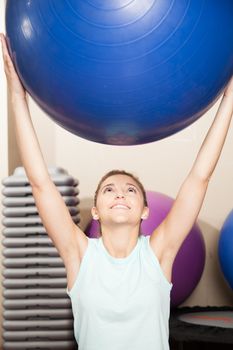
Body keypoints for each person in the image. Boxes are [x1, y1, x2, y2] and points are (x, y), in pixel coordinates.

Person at [1, 32, 233, 350]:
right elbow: (41, 184)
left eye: (130, 190)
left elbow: (199, 178)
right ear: (95, 210)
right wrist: (17, 96)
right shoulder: (79, 254)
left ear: (145, 210)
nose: (120, 194)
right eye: (109, 189)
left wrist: (229, 97)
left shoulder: (158, 253)